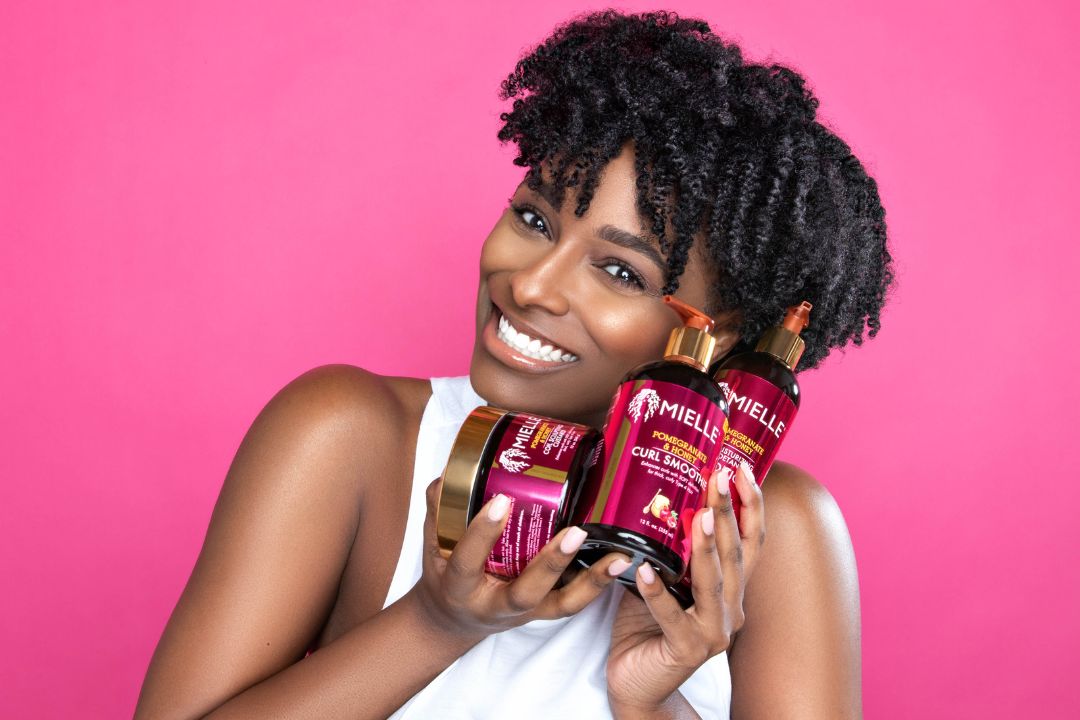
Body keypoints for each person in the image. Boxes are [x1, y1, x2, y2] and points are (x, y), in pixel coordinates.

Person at [136, 10, 892, 719]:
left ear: (717, 338)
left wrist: (649, 702)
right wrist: (435, 621)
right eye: (534, 219)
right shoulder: (350, 440)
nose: (530, 284)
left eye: (620, 273)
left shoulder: (768, 530)